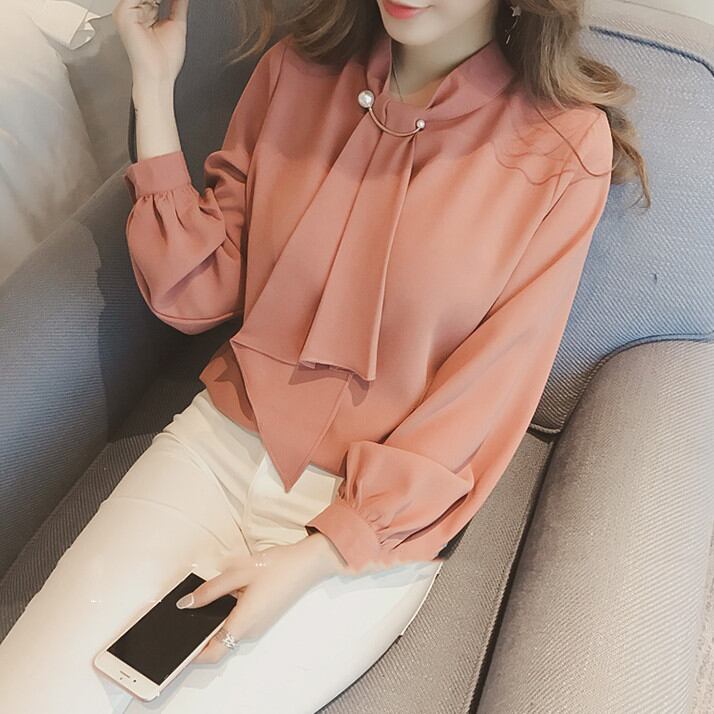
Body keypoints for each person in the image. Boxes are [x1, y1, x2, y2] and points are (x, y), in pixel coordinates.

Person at [0, 0, 649, 712]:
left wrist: (321, 552)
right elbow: (197, 288)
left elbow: (492, 386)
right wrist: (153, 88)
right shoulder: (295, 72)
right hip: (216, 450)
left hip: (367, 522)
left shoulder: (564, 147)